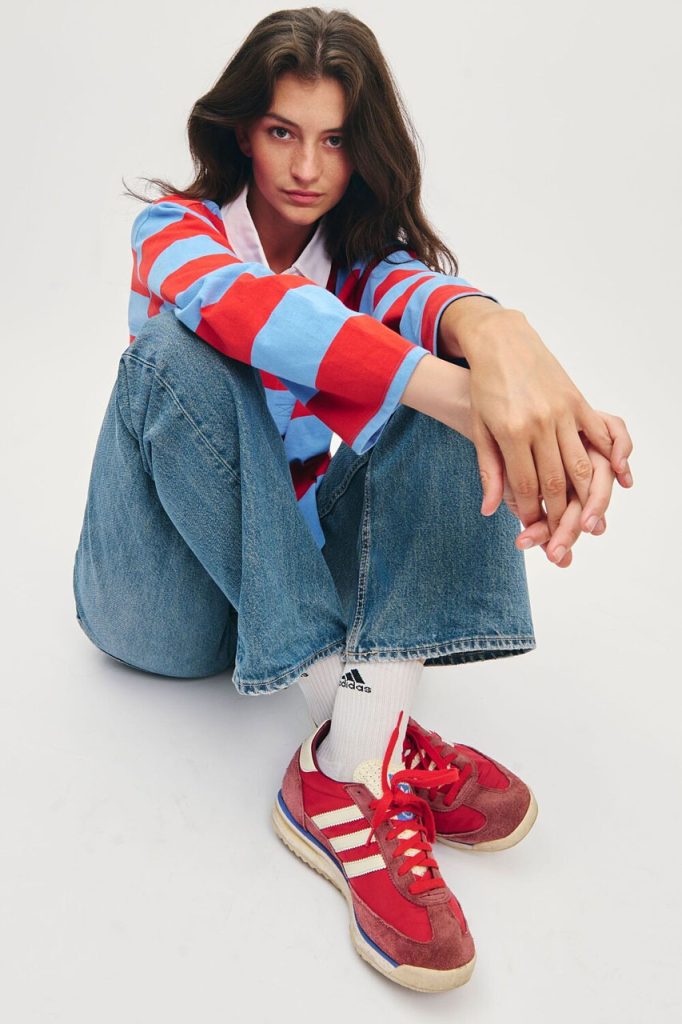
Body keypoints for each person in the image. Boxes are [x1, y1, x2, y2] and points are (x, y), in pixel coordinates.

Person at [72, 6, 633, 993]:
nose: (304, 167)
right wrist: (462, 393)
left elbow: (425, 300)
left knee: (454, 379)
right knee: (172, 355)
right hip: (162, 601)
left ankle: (348, 761)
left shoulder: (365, 264)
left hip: (281, 566)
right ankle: (375, 732)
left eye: (333, 141)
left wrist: (505, 346)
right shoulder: (174, 231)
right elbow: (256, 313)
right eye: (281, 131)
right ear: (241, 130)